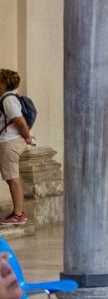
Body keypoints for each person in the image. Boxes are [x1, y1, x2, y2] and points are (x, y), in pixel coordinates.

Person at [0, 70, 33, 227]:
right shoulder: (9, 98)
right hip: (9, 141)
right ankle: (18, 212)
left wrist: (28, 137)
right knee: (11, 179)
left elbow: (20, 121)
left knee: (13, 179)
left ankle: (18, 214)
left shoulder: (8, 100)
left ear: (4, 84)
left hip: (10, 142)